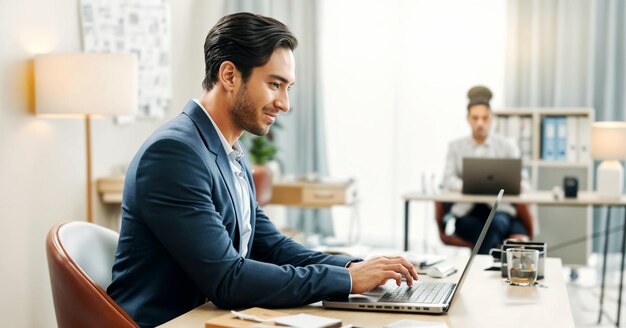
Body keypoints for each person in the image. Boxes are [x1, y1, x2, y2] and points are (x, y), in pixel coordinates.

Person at [107, 12, 418, 327]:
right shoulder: (174, 154)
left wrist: (354, 268)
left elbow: (270, 245)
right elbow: (228, 279)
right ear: (229, 75)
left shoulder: (229, 151)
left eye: (288, 88)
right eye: (274, 84)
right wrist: (348, 281)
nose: (284, 103)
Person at [441, 86, 532, 254]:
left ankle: (475, 274)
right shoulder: (455, 147)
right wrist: (471, 185)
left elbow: (524, 184)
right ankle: (483, 272)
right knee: (481, 230)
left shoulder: (507, 146)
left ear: (491, 119)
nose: (480, 123)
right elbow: (448, 180)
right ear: (468, 119)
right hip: (466, 211)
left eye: (484, 118)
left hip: (499, 210)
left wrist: (514, 185)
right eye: (475, 118)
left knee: (494, 226)